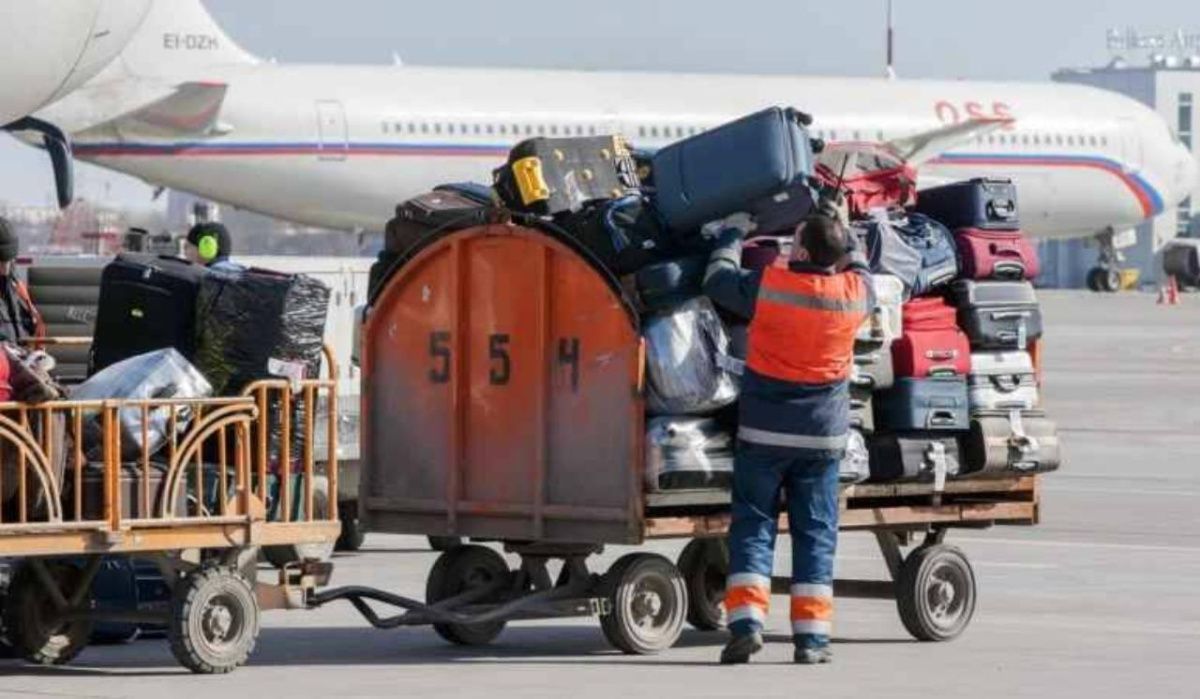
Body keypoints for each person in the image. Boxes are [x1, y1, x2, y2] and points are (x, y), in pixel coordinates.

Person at [702, 211, 872, 666]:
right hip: (822, 439)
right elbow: (860, 265)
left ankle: (745, 625)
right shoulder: (855, 295)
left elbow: (717, 279)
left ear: (800, 252)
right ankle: (812, 640)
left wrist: (734, 231)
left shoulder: (770, 287)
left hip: (763, 432)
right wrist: (843, 226)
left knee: (754, 526)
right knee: (815, 534)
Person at [0, 217, 44, 344]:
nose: (5, 269)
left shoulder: (16, 287)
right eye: (1, 262)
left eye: (8, 261)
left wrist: (37, 354)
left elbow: (35, 326)